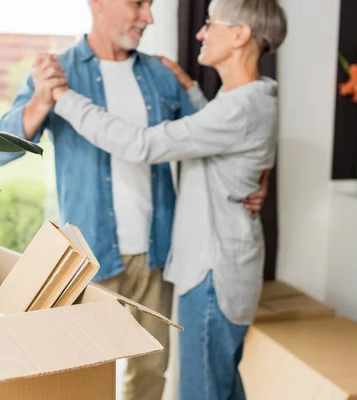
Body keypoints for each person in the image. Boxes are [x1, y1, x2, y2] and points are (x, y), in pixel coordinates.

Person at [49, 0, 287, 398]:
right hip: (225, 262)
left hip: (213, 273)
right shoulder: (249, 101)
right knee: (222, 384)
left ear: (240, 35)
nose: (200, 32)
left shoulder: (241, 108)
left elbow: (142, 144)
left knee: (202, 391)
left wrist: (63, 96)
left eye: (210, 24)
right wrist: (192, 89)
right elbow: (218, 133)